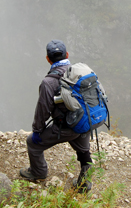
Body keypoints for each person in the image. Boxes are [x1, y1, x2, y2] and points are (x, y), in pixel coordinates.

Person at [20, 39, 92, 192]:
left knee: (32, 143)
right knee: (83, 150)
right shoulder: (80, 71)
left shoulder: (49, 82)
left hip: (66, 127)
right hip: (85, 121)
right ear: (67, 54)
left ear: (48, 58)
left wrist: (37, 130)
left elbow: (43, 110)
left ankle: (38, 173)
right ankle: (84, 184)